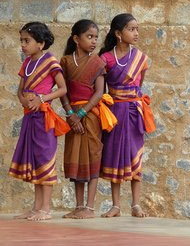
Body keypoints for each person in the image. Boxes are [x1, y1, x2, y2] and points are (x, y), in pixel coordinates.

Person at [9, 22, 70, 221]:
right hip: (29, 116)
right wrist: (22, 99)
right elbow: (20, 89)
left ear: (41, 43)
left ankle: (46, 208)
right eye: (22, 41)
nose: (23, 45)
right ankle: (36, 208)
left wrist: (42, 99)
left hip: (44, 118)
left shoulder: (51, 62)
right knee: (35, 160)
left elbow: (62, 89)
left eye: (27, 41)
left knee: (45, 159)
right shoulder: (26, 63)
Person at [99, 13, 155, 218]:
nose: (136, 33)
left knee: (135, 154)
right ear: (118, 33)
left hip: (133, 111)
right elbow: (101, 88)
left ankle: (135, 204)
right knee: (115, 154)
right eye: (131, 29)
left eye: (137, 29)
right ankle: (115, 205)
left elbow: (139, 84)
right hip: (114, 113)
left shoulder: (140, 58)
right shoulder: (105, 58)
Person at [60, 19, 116, 219]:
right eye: (89, 37)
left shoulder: (98, 62)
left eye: (95, 37)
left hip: (90, 116)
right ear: (76, 38)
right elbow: (63, 90)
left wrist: (81, 114)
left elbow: (99, 92)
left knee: (92, 155)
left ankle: (90, 208)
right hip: (72, 116)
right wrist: (70, 114)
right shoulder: (65, 61)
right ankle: (78, 206)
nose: (93, 41)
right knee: (75, 157)